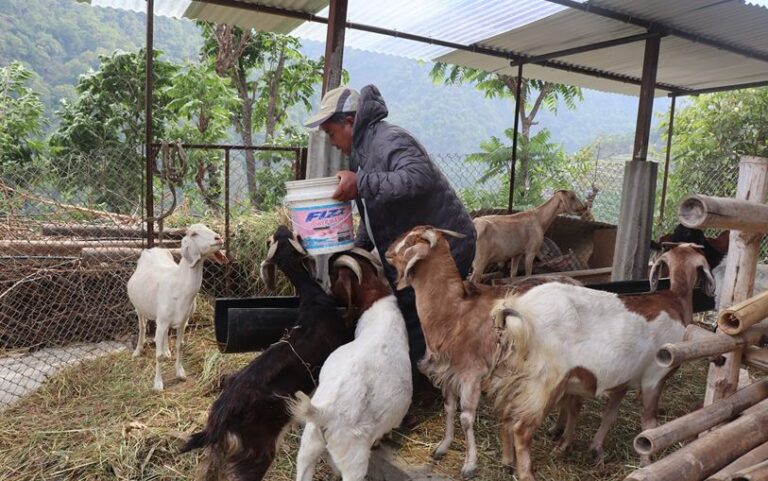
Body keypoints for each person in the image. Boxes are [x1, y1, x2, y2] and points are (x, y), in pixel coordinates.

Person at [304, 84, 476, 377]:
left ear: (349, 122)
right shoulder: (363, 151)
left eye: (331, 133)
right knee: (410, 307)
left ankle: (426, 382)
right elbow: (376, 210)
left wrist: (361, 183)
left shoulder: (389, 139)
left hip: (445, 246)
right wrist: (357, 249)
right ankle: (422, 377)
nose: (331, 142)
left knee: (420, 313)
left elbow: (418, 177)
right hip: (418, 249)